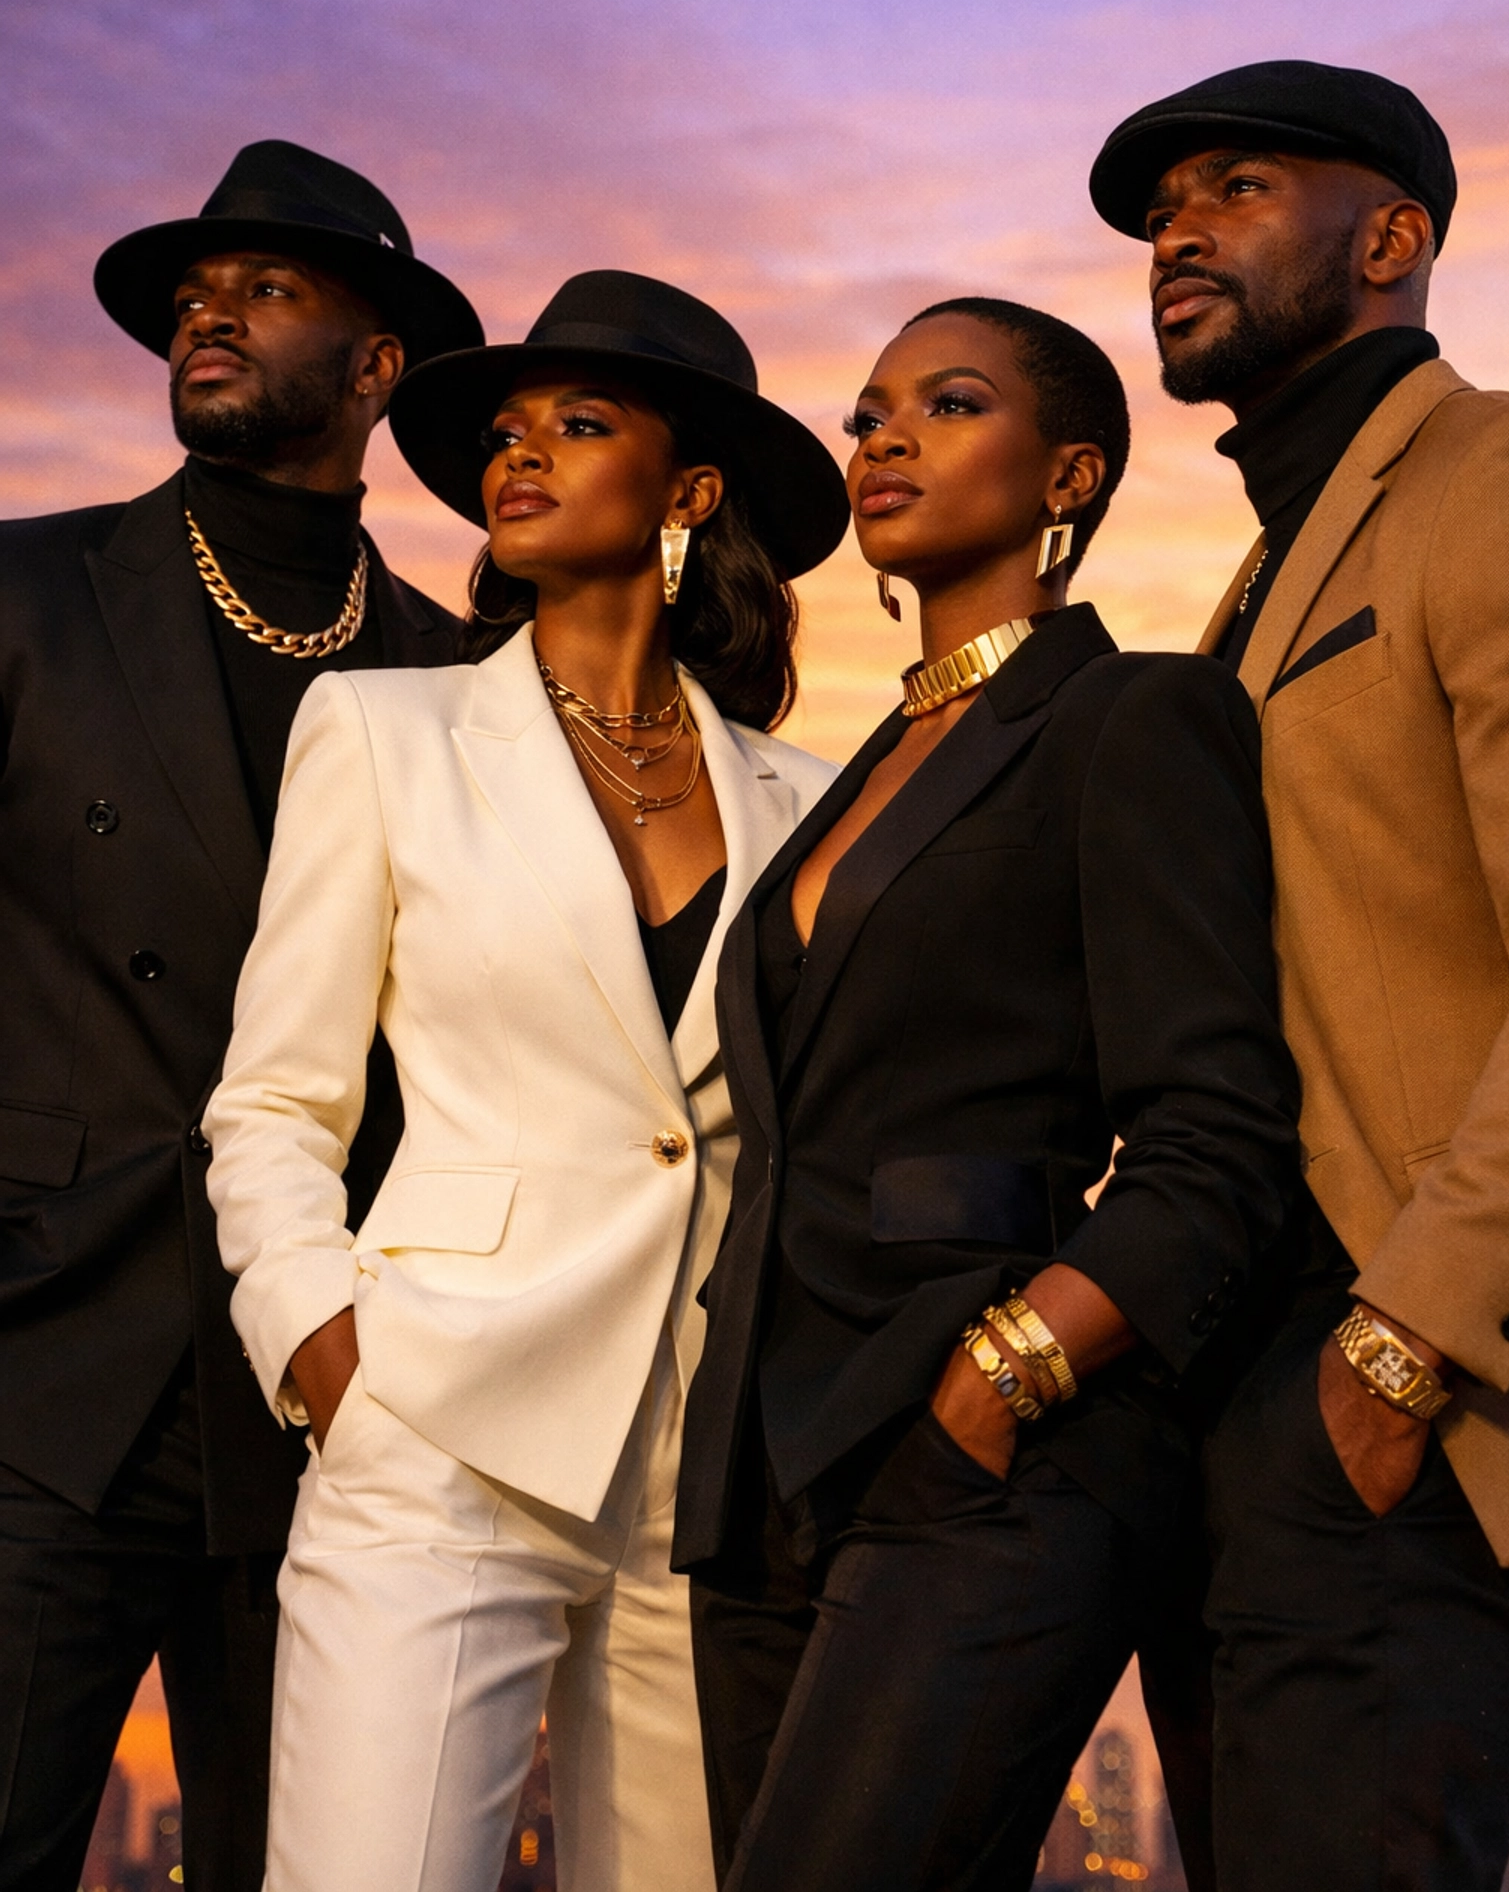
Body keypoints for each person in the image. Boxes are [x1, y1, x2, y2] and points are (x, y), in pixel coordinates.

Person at [200, 270, 848, 1892]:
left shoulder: (811, 799)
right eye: (502, 434)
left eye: (577, 424)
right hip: (438, 1422)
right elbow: (276, 1103)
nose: (519, 457)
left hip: (704, 1476)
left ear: (689, 492)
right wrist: (325, 1356)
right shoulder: (381, 729)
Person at [673, 295, 1301, 1892]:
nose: (882, 436)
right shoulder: (855, 767)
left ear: (1069, 473)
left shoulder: (1133, 717)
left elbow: (1215, 1137)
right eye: (870, 410)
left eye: (947, 405)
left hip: (986, 1449)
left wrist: (1010, 1373)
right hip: (762, 1470)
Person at [0, 140, 480, 1892]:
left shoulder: (451, 680)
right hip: (41, 1376)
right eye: (199, 292)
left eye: (269, 286)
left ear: (376, 367)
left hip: (328, 1412)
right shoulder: (30, 596)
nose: (210, 309)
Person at [1089, 58, 1509, 1892]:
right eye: (1162, 207)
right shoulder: (1262, 570)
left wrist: (1404, 1341)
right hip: (1240, 1399)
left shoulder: (1499, 475)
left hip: (1399, 1394)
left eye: (1239, 187)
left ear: (1396, 237)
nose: (1178, 231)